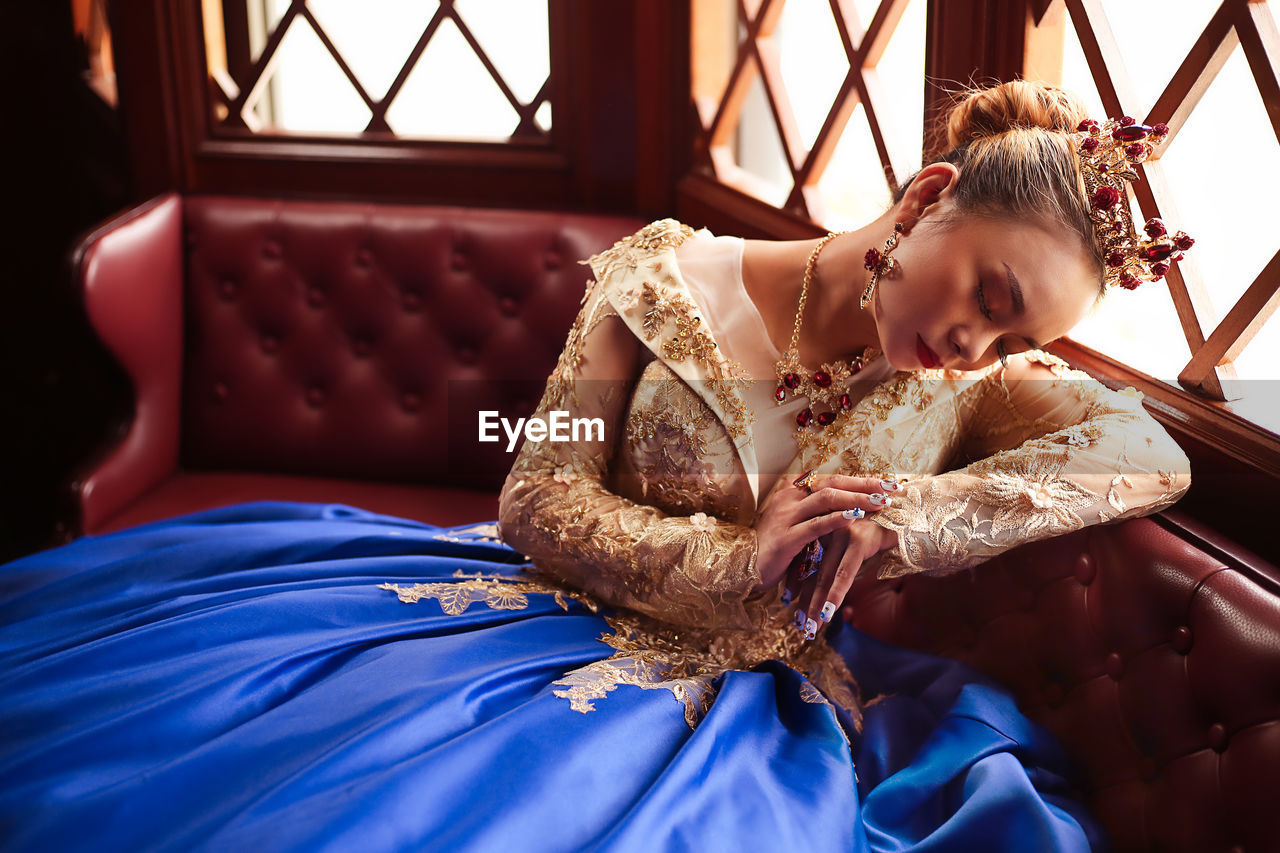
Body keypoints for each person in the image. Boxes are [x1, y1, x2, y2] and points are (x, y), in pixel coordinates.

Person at [0, 80, 1190, 851]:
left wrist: (907, 519)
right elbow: (534, 492)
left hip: (740, 707)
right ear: (930, 198)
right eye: (985, 294)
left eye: (1015, 334)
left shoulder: (969, 387)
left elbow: (1148, 456)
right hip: (533, 621)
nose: (975, 343)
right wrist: (738, 554)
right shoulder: (664, 278)